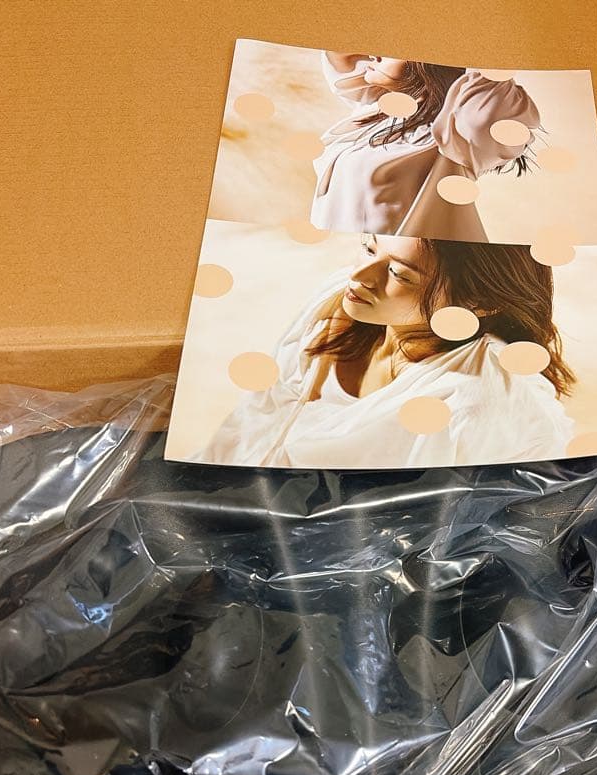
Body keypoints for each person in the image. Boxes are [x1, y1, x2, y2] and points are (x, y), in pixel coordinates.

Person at [195, 234, 576, 469]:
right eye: (368, 247)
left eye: (398, 273)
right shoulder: (336, 302)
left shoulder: (478, 404)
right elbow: (255, 421)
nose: (360, 276)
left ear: (479, 302)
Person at [310, 53, 542, 241]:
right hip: (342, 257)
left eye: (394, 47)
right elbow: (341, 53)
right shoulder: (378, 113)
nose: (374, 54)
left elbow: (491, 102)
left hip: (414, 269)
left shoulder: (455, 134)